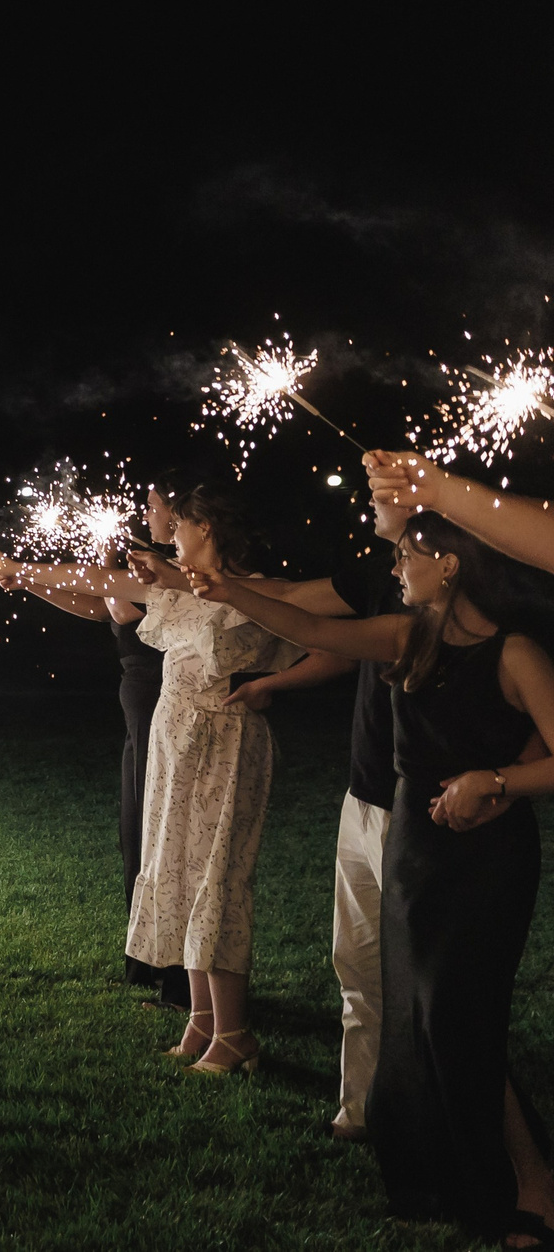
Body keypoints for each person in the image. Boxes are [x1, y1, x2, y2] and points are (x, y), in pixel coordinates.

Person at [189, 512, 554, 1247]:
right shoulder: (406, 636)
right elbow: (313, 629)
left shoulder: (514, 654)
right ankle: (459, 1177)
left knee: (459, 1018)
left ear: (449, 564)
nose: (394, 569)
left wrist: (498, 780)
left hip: (487, 861)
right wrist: (227, 588)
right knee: (425, 1019)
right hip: (415, 850)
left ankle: (532, 1186)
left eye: (406, 555)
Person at [0, 483, 302, 1075]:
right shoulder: (170, 587)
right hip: (172, 739)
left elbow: (331, 640)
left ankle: (235, 1035)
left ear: (206, 528)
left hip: (223, 741)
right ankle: (202, 1022)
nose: (171, 533)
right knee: (177, 871)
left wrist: (270, 686)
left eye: (179, 523)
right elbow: (96, 585)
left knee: (215, 878)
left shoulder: (257, 592)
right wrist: (20, 570)